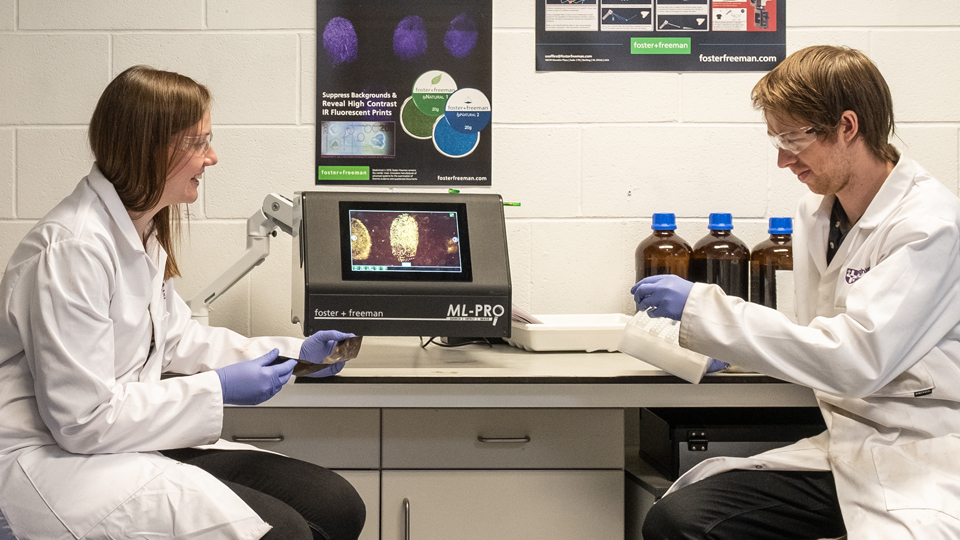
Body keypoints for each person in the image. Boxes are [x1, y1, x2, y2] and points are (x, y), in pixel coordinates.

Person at [0, 66, 365, 540]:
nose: (212, 157)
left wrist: (294, 354)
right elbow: (83, 420)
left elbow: (175, 339)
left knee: (337, 506)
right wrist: (218, 388)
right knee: (284, 533)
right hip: (52, 458)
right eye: (198, 142)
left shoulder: (140, 230)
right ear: (148, 148)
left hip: (124, 440)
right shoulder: (73, 248)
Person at [633, 45, 960, 539]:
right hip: (845, 442)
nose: (784, 159)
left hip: (919, 450)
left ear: (847, 127)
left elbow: (855, 360)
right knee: (679, 520)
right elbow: (818, 327)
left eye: (793, 138)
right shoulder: (818, 215)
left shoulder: (929, 227)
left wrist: (706, 311)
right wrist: (723, 346)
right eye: (776, 140)